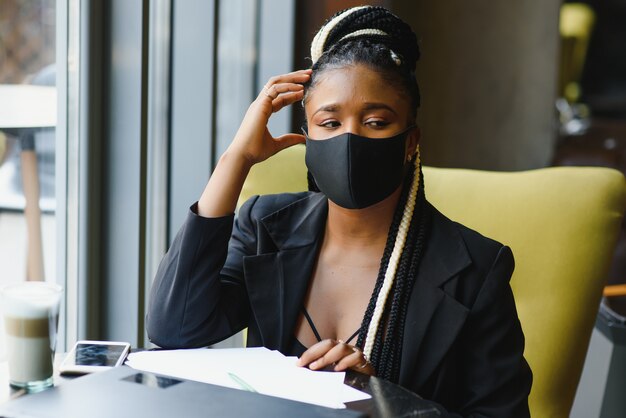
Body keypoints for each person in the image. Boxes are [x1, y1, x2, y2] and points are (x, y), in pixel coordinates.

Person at [146, 5, 532, 416]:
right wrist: (235, 159)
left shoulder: (475, 270)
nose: (350, 138)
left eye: (377, 122)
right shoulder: (265, 227)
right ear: (307, 135)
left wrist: (381, 401)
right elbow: (175, 327)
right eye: (329, 123)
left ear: (410, 141)